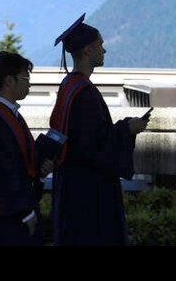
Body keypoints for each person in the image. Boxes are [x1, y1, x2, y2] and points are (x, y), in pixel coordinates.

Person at [48, 13, 148, 246]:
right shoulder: (84, 93)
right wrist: (127, 128)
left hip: (70, 183)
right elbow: (93, 146)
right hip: (88, 191)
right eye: (100, 45)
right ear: (87, 51)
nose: (105, 51)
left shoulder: (69, 86)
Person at [0, 51, 54, 246]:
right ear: (9, 81)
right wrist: (25, 212)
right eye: (25, 78)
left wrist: (40, 170)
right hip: (4, 221)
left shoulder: (11, 115)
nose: (29, 83)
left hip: (16, 214)